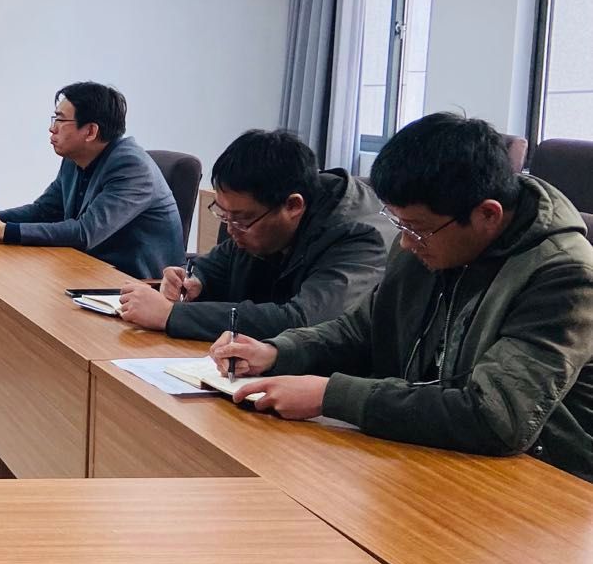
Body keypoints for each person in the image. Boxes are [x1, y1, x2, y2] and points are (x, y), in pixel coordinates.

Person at [213, 113, 593, 480]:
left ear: (487, 215)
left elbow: (496, 415)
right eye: (401, 225)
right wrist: (277, 352)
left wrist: (330, 395)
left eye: (417, 229)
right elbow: (363, 331)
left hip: (541, 480)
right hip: (430, 452)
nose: (407, 243)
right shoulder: (432, 238)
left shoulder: (564, 276)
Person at [117, 128, 388, 339]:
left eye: (241, 219)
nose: (231, 229)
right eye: (223, 214)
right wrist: (194, 279)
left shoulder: (359, 237)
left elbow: (304, 322)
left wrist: (171, 315)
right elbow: (218, 263)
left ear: (293, 206)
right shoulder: (255, 217)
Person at [0, 82, 184, 279]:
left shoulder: (132, 167)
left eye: (60, 120)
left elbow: (84, 233)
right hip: (88, 270)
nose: (52, 128)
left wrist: (4, 230)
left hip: (134, 285)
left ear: (90, 131)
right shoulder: (75, 159)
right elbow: (44, 210)